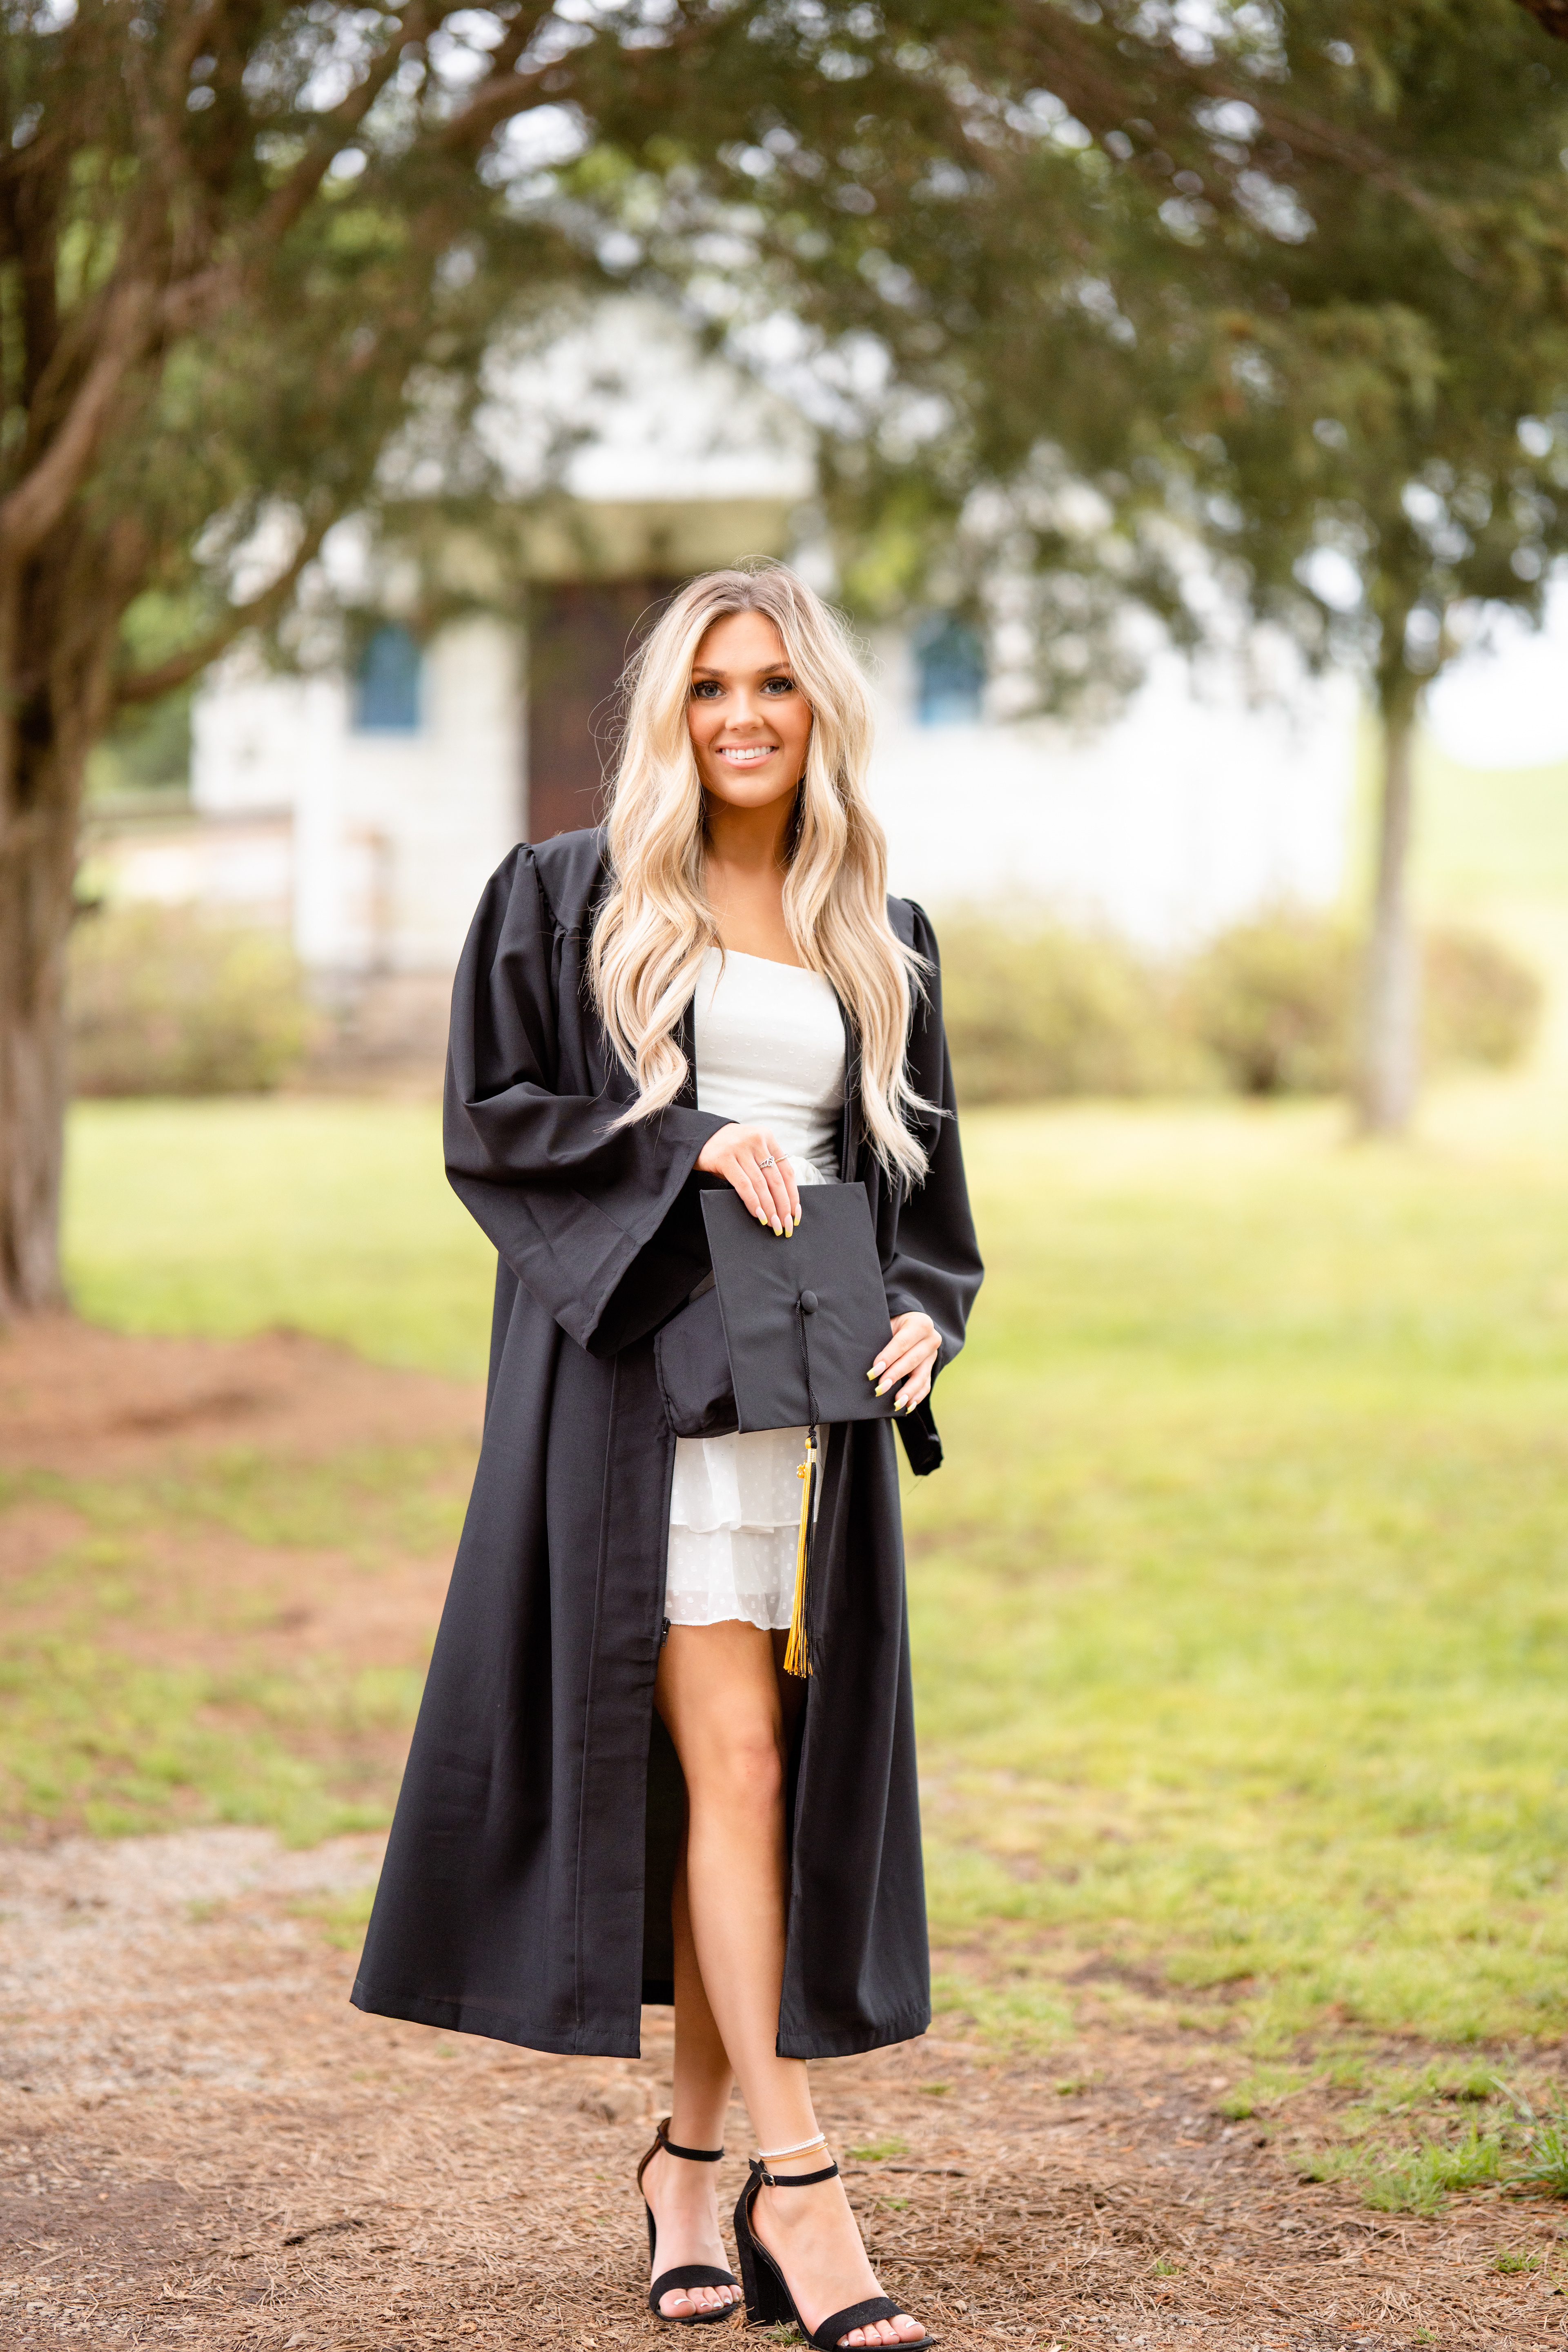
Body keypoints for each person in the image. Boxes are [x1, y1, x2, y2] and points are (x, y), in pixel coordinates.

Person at [352, 562, 982, 2350]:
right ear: (672, 713)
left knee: (753, 1776)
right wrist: (695, 1142)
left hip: (815, 1402)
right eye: (712, 688)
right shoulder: (573, 899)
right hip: (654, 1389)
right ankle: (804, 2181)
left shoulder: (884, 932)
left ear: (820, 709)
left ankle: (685, 2166)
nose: (744, 717)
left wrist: (933, 1312)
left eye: (776, 685)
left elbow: (926, 1198)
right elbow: (498, 1121)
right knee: (735, 1766)